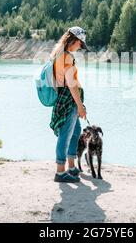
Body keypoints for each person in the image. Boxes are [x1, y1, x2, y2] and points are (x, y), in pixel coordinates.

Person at [49, 26, 89, 183]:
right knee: (65, 135)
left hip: (64, 98)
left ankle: (71, 167)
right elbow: (72, 85)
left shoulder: (59, 55)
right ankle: (60, 172)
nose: (80, 47)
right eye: (80, 44)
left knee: (75, 131)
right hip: (69, 100)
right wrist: (80, 106)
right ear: (73, 40)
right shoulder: (66, 58)